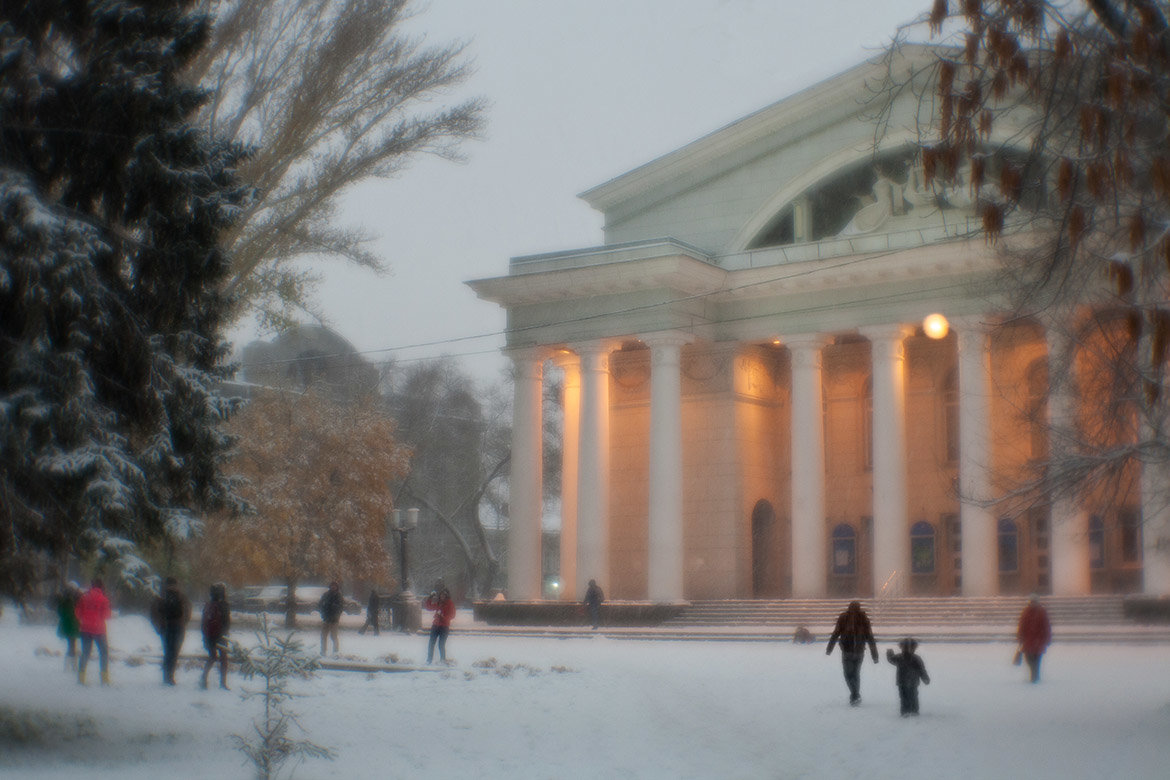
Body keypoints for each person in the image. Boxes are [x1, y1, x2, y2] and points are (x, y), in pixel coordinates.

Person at [825, 600, 879, 706]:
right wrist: (874, 655)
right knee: (855, 674)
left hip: (848, 651)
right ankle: (855, 695)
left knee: (848, 674)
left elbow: (836, 633)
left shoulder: (844, 617)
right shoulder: (863, 618)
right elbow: (870, 637)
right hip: (858, 651)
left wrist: (829, 649)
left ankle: (854, 695)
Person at [151, 576, 191, 686]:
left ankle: (166, 676)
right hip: (179, 627)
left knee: (167, 652)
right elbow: (187, 612)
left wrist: (158, 627)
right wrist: (183, 623)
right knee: (175, 652)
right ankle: (171, 677)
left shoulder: (160, 597)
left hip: (165, 627)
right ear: (176, 584)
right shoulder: (182, 597)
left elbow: (154, 613)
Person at [75, 578, 112, 686]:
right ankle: (104, 678)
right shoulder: (104, 599)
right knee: (104, 652)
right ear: (101, 586)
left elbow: (77, 612)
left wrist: (85, 619)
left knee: (85, 653)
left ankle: (81, 677)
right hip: (99, 629)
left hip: (85, 628)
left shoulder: (84, 597)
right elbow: (107, 615)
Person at [886, 637, 931, 716]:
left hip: (902, 681)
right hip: (913, 681)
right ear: (914, 647)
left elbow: (891, 660)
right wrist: (925, 678)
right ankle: (914, 710)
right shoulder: (916, 658)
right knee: (913, 696)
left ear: (901, 647)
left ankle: (905, 711)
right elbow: (922, 670)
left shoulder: (899, 657)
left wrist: (889, 653)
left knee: (904, 697)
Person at [200, 583, 231, 690]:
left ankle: (203, 678)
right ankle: (223, 683)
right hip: (221, 636)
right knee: (223, 659)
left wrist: (205, 636)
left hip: (209, 636)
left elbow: (203, 622)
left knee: (212, 657)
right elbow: (227, 622)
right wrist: (225, 633)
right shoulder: (224, 605)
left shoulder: (208, 605)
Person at [1016, 596, 1052, 683]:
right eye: (1032, 602)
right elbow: (1022, 625)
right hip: (1030, 640)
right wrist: (1020, 637)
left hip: (1037, 640)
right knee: (1029, 659)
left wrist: (1047, 638)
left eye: (1034, 602)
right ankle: (1035, 674)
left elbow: (1046, 626)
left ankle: (1035, 675)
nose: (1033, 603)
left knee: (1036, 660)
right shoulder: (1026, 612)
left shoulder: (1041, 612)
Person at [424, 587, 456, 664]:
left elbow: (452, 615)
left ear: (447, 596)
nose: (442, 597)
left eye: (444, 595)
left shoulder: (450, 603)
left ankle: (442, 660)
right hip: (435, 625)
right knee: (431, 643)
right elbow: (429, 607)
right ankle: (429, 659)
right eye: (441, 595)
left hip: (444, 627)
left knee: (441, 644)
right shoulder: (439, 603)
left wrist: (443, 617)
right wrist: (430, 598)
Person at [56, 582, 81, 671]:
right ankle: (72, 666)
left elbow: (59, 611)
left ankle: (68, 666)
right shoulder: (76, 598)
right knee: (72, 645)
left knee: (71, 645)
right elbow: (78, 611)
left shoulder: (63, 597)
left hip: (66, 625)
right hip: (73, 625)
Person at [319, 581, 344, 656]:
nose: (333, 587)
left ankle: (335, 652)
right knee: (323, 636)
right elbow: (320, 605)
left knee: (334, 637)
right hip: (326, 619)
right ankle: (323, 651)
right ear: (330, 587)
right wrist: (323, 614)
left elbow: (341, 608)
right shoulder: (325, 595)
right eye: (332, 586)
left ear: (337, 587)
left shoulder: (339, 596)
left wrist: (336, 615)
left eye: (334, 586)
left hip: (334, 621)